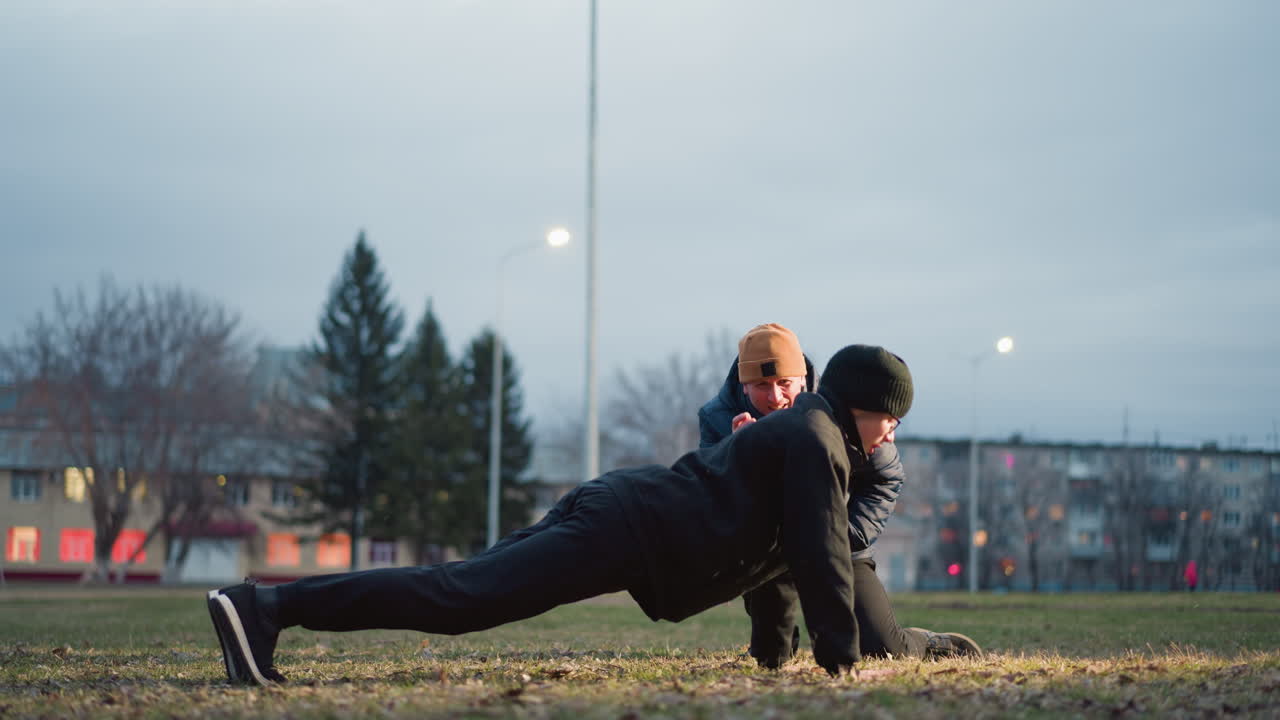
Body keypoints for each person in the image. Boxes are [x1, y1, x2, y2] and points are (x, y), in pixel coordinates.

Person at [209, 344, 920, 686]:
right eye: (889, 418)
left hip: (621, 511)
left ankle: (266, 610)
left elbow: (781, 555)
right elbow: (819, 549)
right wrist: (841, 663)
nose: (890, 434)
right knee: (461, 599)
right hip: (624, 529)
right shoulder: (817, 441)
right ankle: (266, 609)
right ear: (860, 402)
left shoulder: (809, 436)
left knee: (462, 585)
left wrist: (774, 658)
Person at [698, 324, 981, 664]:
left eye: (785, 384)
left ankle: (932, 643)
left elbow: (886, 479)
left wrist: (840, 537)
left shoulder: (839, 406)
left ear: (803, 380)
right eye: (761, 386)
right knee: (769, 658)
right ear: (744, 386)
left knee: (882, 649)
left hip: (837, 538)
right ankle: (776, 644)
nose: (775, 398)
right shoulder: (718, 418)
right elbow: (716, 495)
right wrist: (737, 453)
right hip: (768, 545)